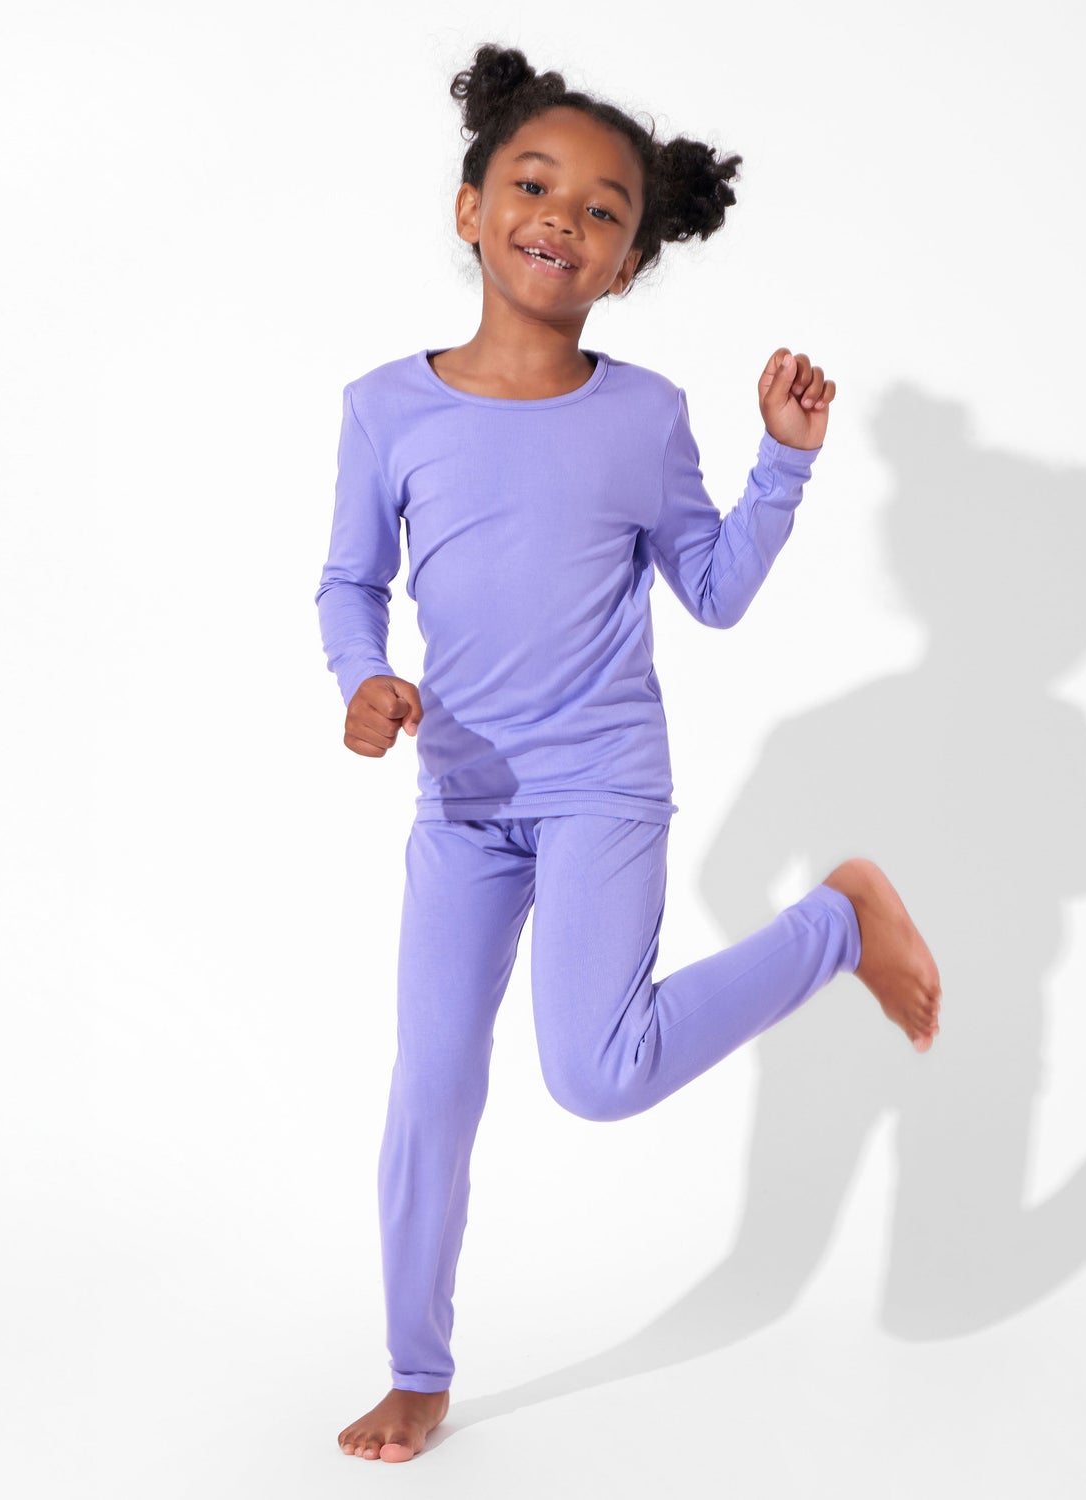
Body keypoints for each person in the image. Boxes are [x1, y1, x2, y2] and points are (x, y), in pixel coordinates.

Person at [318, 43, 943, 1464]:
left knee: (599, 1073)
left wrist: (782, 463)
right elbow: (350, 583)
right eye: (534, 185)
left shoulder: (643, 414)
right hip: (462, 804)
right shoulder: (384, 408)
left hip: (602, 785)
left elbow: (711, 591)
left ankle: (840, 924)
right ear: (472, 205)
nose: (563, 218)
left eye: (603, 210)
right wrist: (365, 684)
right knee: (429, 1091)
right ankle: (417, 1368)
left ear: (632, 260)